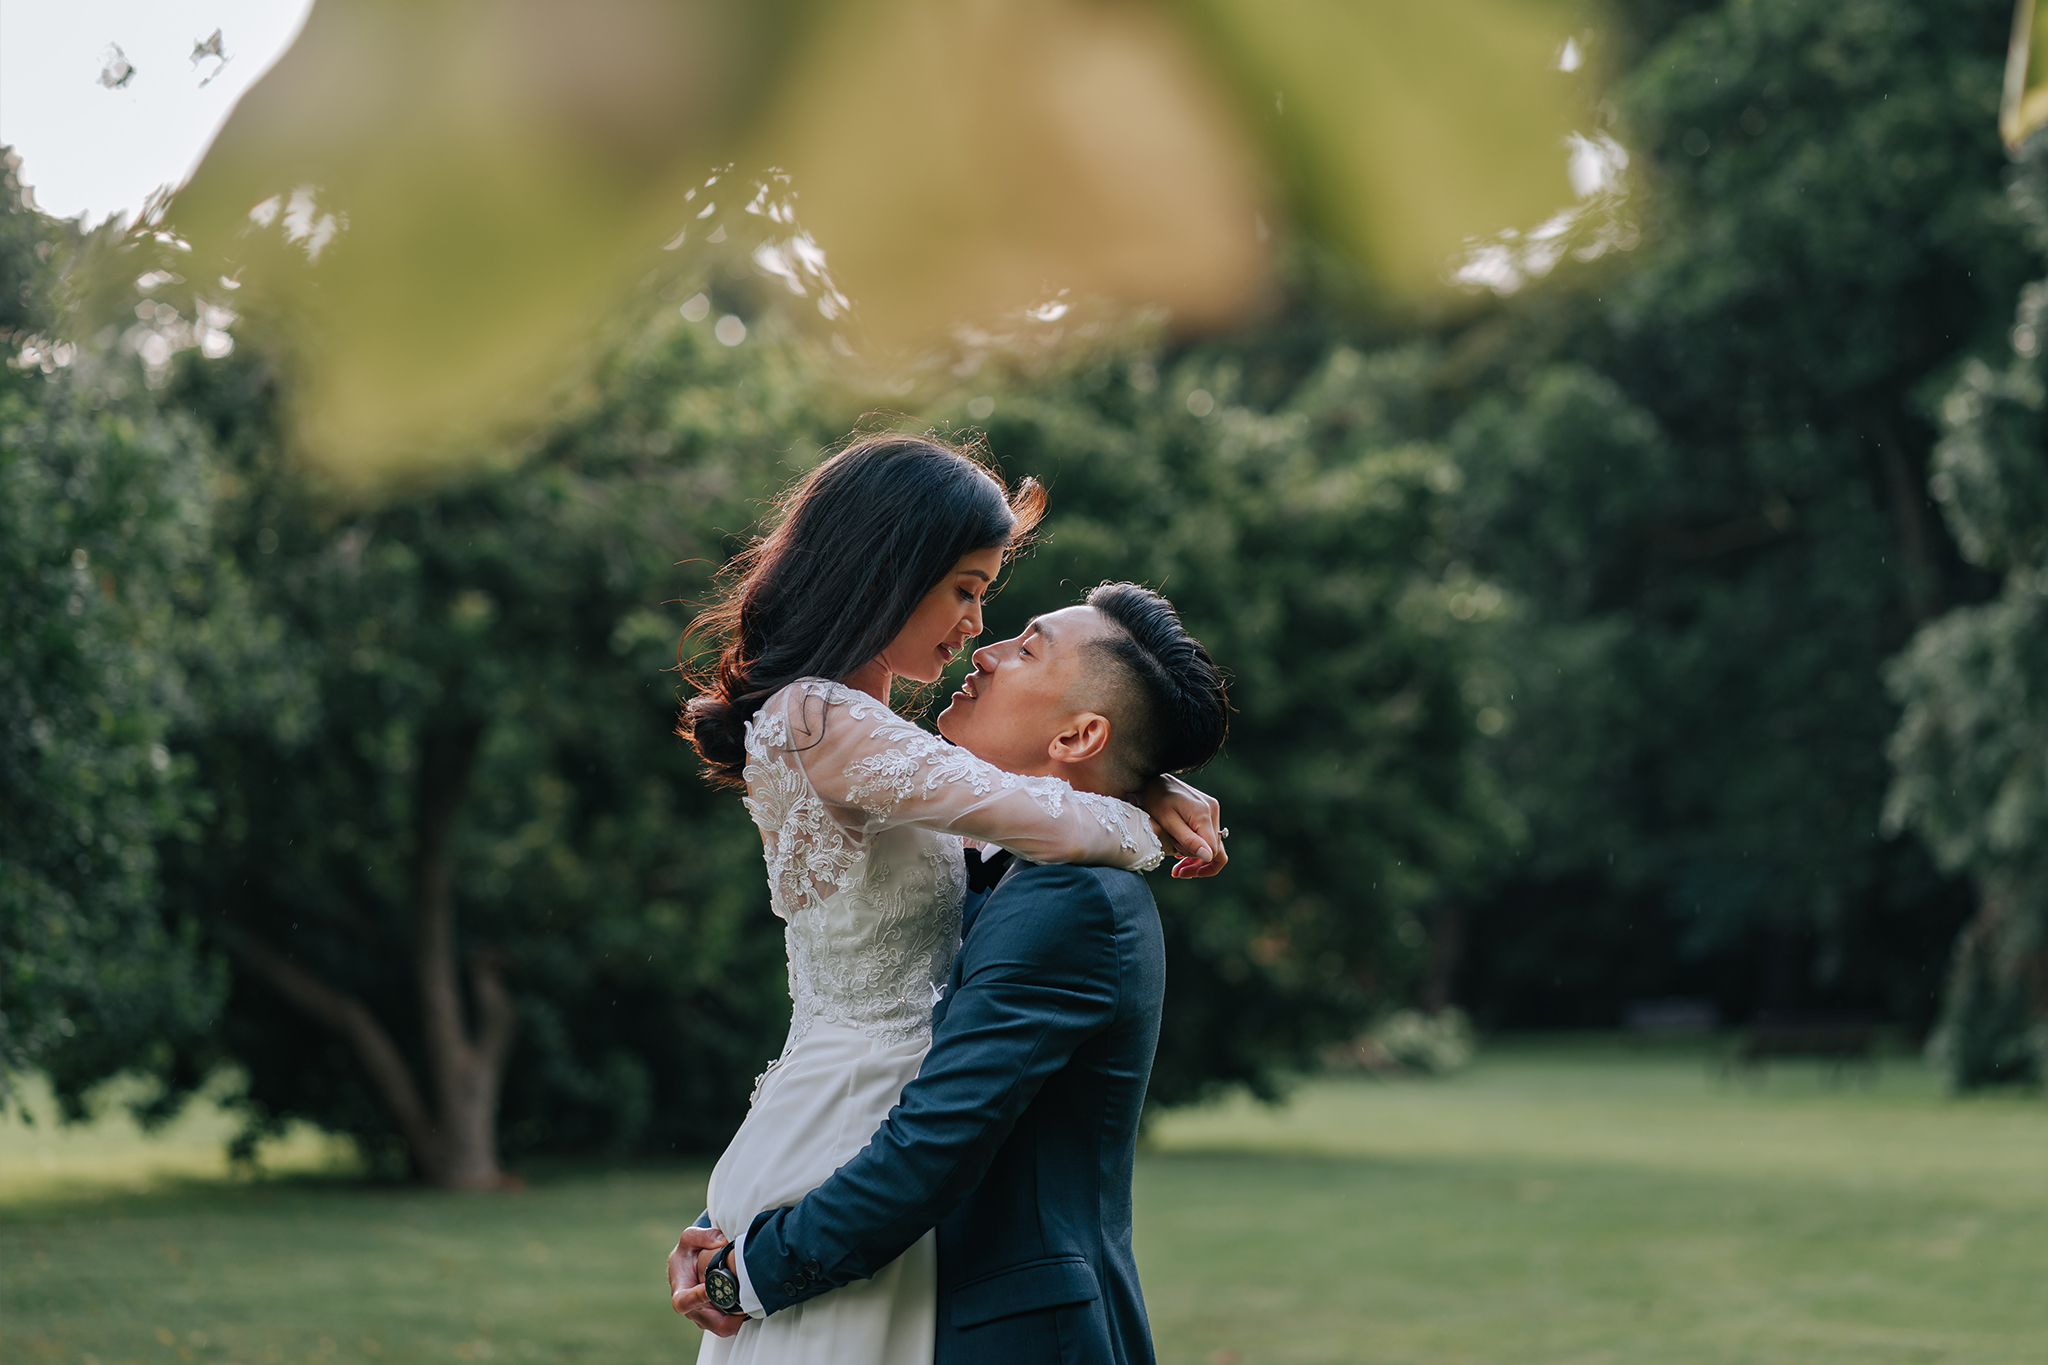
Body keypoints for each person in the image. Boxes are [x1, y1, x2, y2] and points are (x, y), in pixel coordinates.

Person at [677, 435, 1226, 1365]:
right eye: (969, 591)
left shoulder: (1060, 890)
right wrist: (1136, 800)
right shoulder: (825, 721)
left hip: (861, 1164)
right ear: (889, 569)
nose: (983, 633)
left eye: (997, 609)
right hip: (842, 1141)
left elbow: (936, 1132)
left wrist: (1133, 781)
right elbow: (1031, 811)